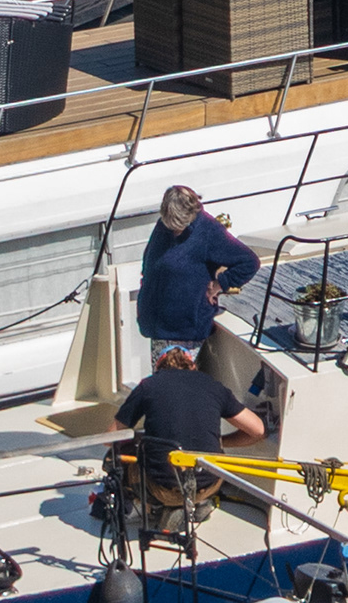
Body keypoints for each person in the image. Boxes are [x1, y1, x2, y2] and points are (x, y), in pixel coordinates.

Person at [114, 343, 264, 525]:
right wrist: (221, 441)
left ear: (158, 368)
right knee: (214, 455)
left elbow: (111, 437)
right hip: (209, 484)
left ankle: (149, 506)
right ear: (193, 366)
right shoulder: (214, 387)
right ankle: (199, 502)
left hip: (161, 489)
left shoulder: (148, 385)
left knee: (122, 452)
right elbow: (257, 430)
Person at [136, 186, 259, 363]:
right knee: (163, 383)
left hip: (183, 329)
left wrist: (219, 285)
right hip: (158, 326)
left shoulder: (208, 231)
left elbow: (249, 262)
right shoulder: (163, 226)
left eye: (179, 225)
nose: (174, 230)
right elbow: (151, 262)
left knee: (175, 386)